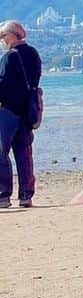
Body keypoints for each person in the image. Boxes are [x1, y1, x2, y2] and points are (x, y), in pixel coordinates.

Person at [0, 21, 41, 211]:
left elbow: (3, 85)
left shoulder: (9, 57)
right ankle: (26, 195)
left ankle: (3, 195)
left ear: (13, 35)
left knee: (1, 153)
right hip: (27, 112)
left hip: (8, 111)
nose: (1, 40)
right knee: (24, 154)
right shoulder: (34, 54)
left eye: (3, 36)